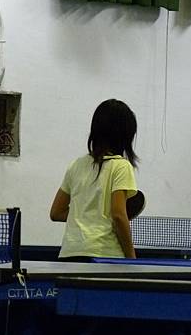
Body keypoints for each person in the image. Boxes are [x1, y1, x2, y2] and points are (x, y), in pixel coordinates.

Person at [50, 99, 138, 260]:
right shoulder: (121, 166)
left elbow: (56, 212)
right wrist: (131, 257)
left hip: (69, 254)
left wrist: (86, 216)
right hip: (103, 256)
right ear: (125, 135)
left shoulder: (76, 165)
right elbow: (118, 216)